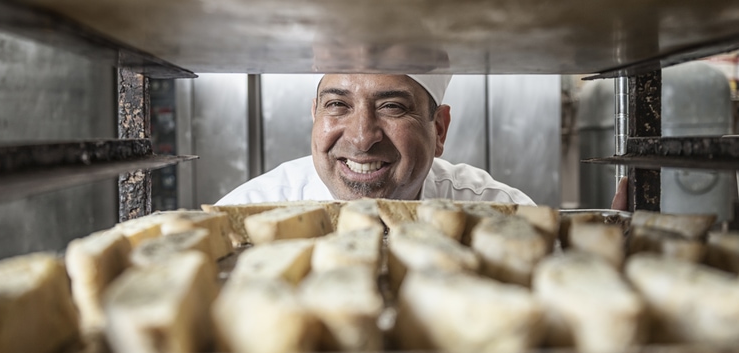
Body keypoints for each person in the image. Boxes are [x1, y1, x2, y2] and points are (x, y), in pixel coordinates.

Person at [215, 73, 535, 206]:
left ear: (438, 129)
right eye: (338, 105)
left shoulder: (497, 210)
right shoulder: (251, 209)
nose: (362, 138)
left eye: (392, 107)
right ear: (316, 116)